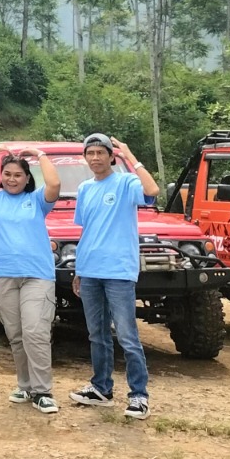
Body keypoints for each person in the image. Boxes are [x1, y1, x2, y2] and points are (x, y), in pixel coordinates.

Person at [68, 134, 160, 420]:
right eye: (90, 153)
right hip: (90, 270)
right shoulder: (84, 188)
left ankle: (138, 395)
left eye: (100, 153)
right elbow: (88, 231)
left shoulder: (125, 182)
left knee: (127, 335)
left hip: (119, 271)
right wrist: (79, 270)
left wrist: (130, 155)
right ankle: (101, 388)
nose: (95, 158)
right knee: (97, 334)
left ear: (111, 156)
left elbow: (152, 189)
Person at [0, 143, 61, 414]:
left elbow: (54, 183)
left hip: (37, 275)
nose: (12, 179)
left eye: (18, 175)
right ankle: (25, 385)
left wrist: (40, 155)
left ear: (27, 178)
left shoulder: (37, 201)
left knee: (36, 331)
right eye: (7, 174)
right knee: (16, 334)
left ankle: (43, 391)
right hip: (2, 275)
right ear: (1, 176)